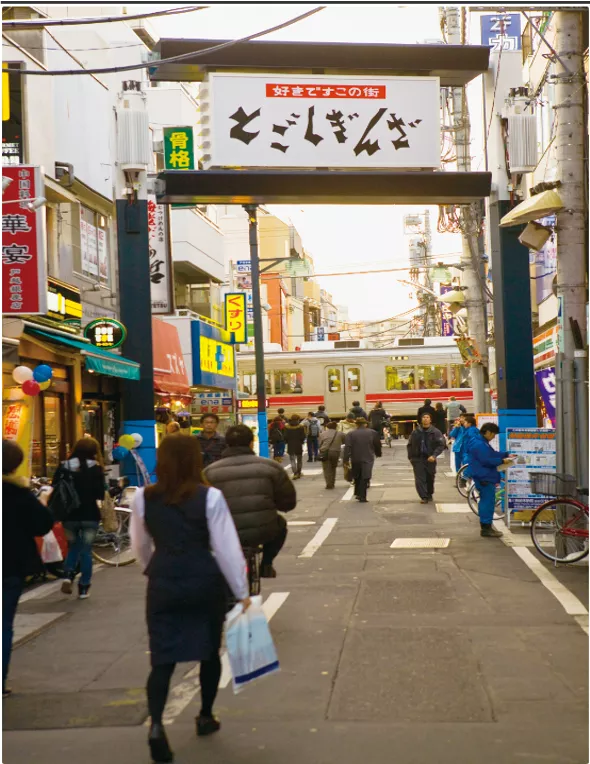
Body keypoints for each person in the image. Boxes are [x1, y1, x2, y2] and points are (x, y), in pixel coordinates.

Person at [130, 435, 249, 763]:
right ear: (196, 460)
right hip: (202, 579)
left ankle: (156, 726)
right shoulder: (209, 497)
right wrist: (241, 592)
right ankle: (206, 715)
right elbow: (226, 548)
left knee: (162, 658)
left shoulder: (142, 497)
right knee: (208, 651)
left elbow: (138, 545)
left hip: (163, 579)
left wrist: (153, 568)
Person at [205, 425, 296, 577]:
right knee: (280, 525)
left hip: (224, 531)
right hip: (263, 529)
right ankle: (266, 564)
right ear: (251, 443)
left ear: (226, 444)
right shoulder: (271, 467)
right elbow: (288, 502)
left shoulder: (209, 472)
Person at [3, 440, 53, 699]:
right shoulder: (19, 494)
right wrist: (43, 498)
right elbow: (42, 525)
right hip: (10, 564)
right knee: (3, 623)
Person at [53, 438, 105, 599]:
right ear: (94, 451)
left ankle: (68, 575)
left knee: (73, 546)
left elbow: (55, 487)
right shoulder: (96, 469)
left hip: (70, 515)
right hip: (90, 515)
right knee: (86, 551)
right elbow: (100, 494)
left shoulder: (64, 467)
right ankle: (84, 588)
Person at [467, 423, 514, 538]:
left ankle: (486, 526)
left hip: (483, 475)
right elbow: (487, 460)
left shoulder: (481, 442)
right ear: (488, 432)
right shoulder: (479, 444)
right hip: (484, 476)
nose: (494, 437)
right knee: (487, 502)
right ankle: (486, 528)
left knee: (487, 502)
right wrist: (503, 461)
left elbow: (491, 454)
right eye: (493, 434)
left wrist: (506, 454)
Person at [407, 413, 446, 503]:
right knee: (420, 479)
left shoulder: (435, 432)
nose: (425, 419)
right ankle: (423, 496)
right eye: (424, 417)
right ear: (421, 420)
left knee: (430, 477)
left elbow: (441, 445)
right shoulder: (416, 432)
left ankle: (429, 493)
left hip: (430, 459)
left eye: (427, 417)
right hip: (418, 459)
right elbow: (410, 444)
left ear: (430, 420)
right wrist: (411, 457)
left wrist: (434, 455)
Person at [343, 418, 382, 503]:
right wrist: (378, 453)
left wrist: (345, 459)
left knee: (357, 475)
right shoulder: (372, 433)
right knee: (365, 476)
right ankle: (362, 496)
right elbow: (377, 445)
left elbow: (347, 447)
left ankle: (358, 493)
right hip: (368, 457)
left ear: (356, 424)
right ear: (365, 424)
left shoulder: (350, 434)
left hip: (355, 458)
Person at [318, 422, 345, 489]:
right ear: (336, 427)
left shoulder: (322, 434)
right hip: (335, 452)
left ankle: (328, 483)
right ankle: (332, 482)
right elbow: (345, 442)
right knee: (333, 467)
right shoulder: (340, 434)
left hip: (325, 452)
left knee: (326, 469)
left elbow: (319, 444)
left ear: (327, 427)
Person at [283, 415, 306, 479]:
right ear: (298, 419)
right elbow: (303, 436)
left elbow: (285, 436)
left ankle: (295, 473)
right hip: (298, 445)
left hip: (290, 445)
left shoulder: (287, 427)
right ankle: (299, 472)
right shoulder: (301, 427)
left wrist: (287, 442)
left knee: (292, 460)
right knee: (299, 460)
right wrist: (301, 442)